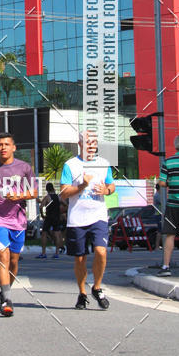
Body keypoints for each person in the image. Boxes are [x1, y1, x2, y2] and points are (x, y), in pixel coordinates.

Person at [0, 133, 36, 316]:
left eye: (7, 144)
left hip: (17, 219)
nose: (3, 147)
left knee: (14, 260)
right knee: (3, 256)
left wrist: (20, 196)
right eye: (0, 144)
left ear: (14, 147)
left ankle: (4, 291)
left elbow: (34, 191)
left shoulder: (24, 167)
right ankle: (7, 300)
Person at [60, 132, 115, 309]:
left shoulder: (104, 164)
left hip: (98, 216)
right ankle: (82, 293)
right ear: (80, 143)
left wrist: (106, 191)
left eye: (94, 143)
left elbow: (111, 185)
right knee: (80, 259)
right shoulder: (70, 165)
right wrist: (82, 185)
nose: (91, 146)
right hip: (77, 219)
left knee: (101, 251)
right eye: (88, 142)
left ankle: (97, 287)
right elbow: (63, 193)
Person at [156, 134, 179, 276]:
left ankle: (165, 266)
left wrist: (172, 182)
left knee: (169, 235)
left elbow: (162, 183)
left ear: (175, 147)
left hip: (173, 205)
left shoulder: (168, 162)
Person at [37, 182, 65, 258]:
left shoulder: (47, 197)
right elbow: (65, 204)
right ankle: (57, 253)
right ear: (53, 188)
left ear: (46, 189)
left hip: (49, 217)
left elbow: (41, 206)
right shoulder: (58, 197)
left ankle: (43, 253)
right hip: (56, 217)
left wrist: (42, 214)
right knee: (57, 234)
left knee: (44, 234)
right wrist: (62, 212)